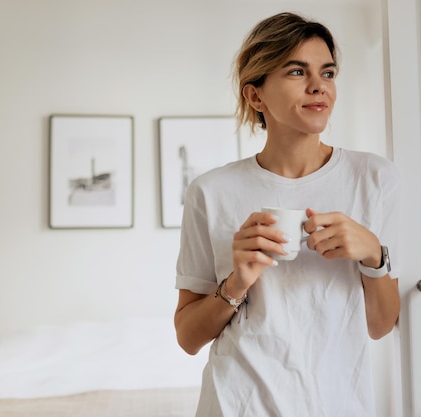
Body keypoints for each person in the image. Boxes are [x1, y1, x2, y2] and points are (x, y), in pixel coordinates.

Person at [174, 11, 400, 417]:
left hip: (337, 403)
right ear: (255, 96)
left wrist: (373, 255)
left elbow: (381, 325)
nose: (319, 86)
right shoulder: (210, 191)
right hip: (236, 404)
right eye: (297, 71)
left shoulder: (374, 177)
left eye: (327, 73)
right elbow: (188, 338)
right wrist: (238, 281)